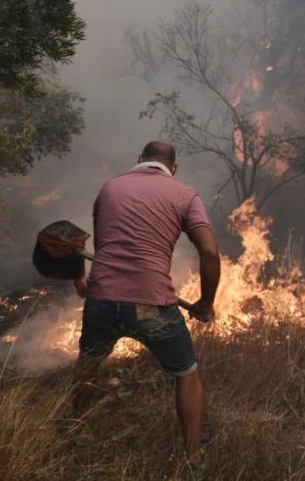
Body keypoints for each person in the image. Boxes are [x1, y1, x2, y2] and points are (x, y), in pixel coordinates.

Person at [72, 140, 221, 474]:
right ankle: (193, 460)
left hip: (103, 299)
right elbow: (210, 253)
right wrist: (206, 303)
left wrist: (86, 285)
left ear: (139, 160)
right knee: (187, 375)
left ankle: (76, 431)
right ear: (173, 167)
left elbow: (103, 245)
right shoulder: (185, 194)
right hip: (151, 304)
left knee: (89, 364)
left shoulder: (110, 188)